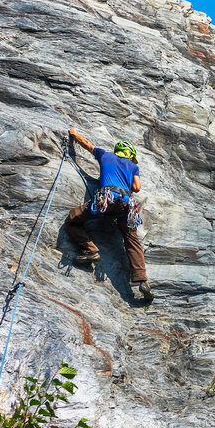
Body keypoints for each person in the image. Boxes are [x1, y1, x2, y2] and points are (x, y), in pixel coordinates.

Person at [63, 128, 153, 301]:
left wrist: (74, 134)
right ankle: (142, 281)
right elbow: (136, 188)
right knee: (132, 240)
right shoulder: (133, 166)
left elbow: (88, 145)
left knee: (73, 219)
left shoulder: (105, 155)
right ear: (130, 154)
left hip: (105, 200)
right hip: (125, 205)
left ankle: (90, 250)